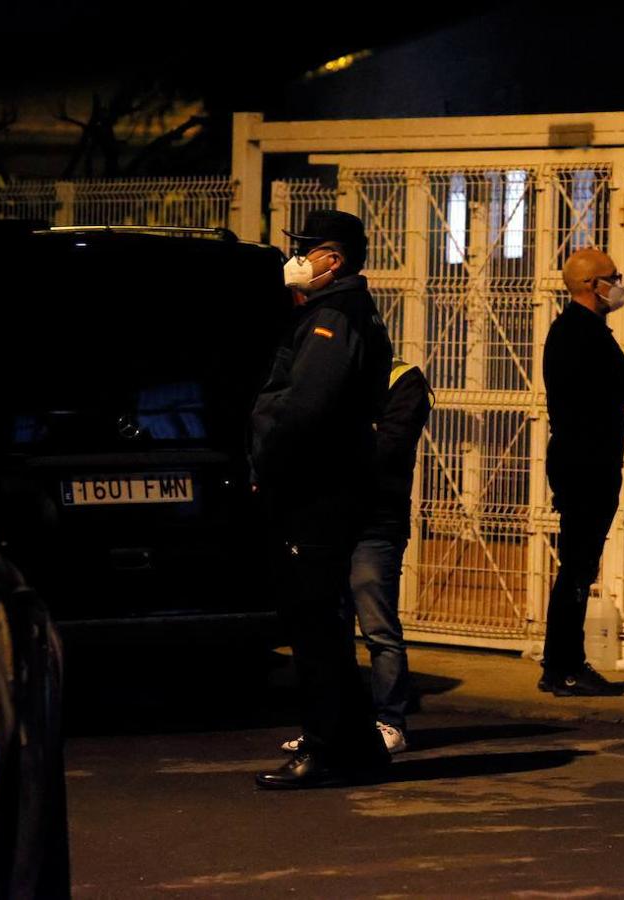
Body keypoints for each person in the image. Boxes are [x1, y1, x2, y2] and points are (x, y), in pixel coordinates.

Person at [250, 210, 394, 789]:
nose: (296, 261)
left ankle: (325, 746)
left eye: (305, 251)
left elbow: (306, 407)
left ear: (332, 260)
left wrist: (271, 466)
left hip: (316, 486)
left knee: (312, 622)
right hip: (328, 483)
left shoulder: (336, 317)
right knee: (322, 621)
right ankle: (355, 745)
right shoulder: (329, 312)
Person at [280, 357, 433, 756]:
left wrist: (332, 444)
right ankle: (331, 728)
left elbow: (389, 448)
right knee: (329, 630)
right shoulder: (328, 374)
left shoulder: (402, 378)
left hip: (376, 522)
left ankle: (390, 721)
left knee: (378, 629)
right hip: (329, 521)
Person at [538, 247, 624, 697]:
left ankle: (558, 664)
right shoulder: (585, 334)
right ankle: (566, 666)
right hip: (587, 463)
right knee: (578, 567)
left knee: (576, 565)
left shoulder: (569, 331)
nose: (619, 284)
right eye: (614, 276)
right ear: (592, 285)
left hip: (575, 459)